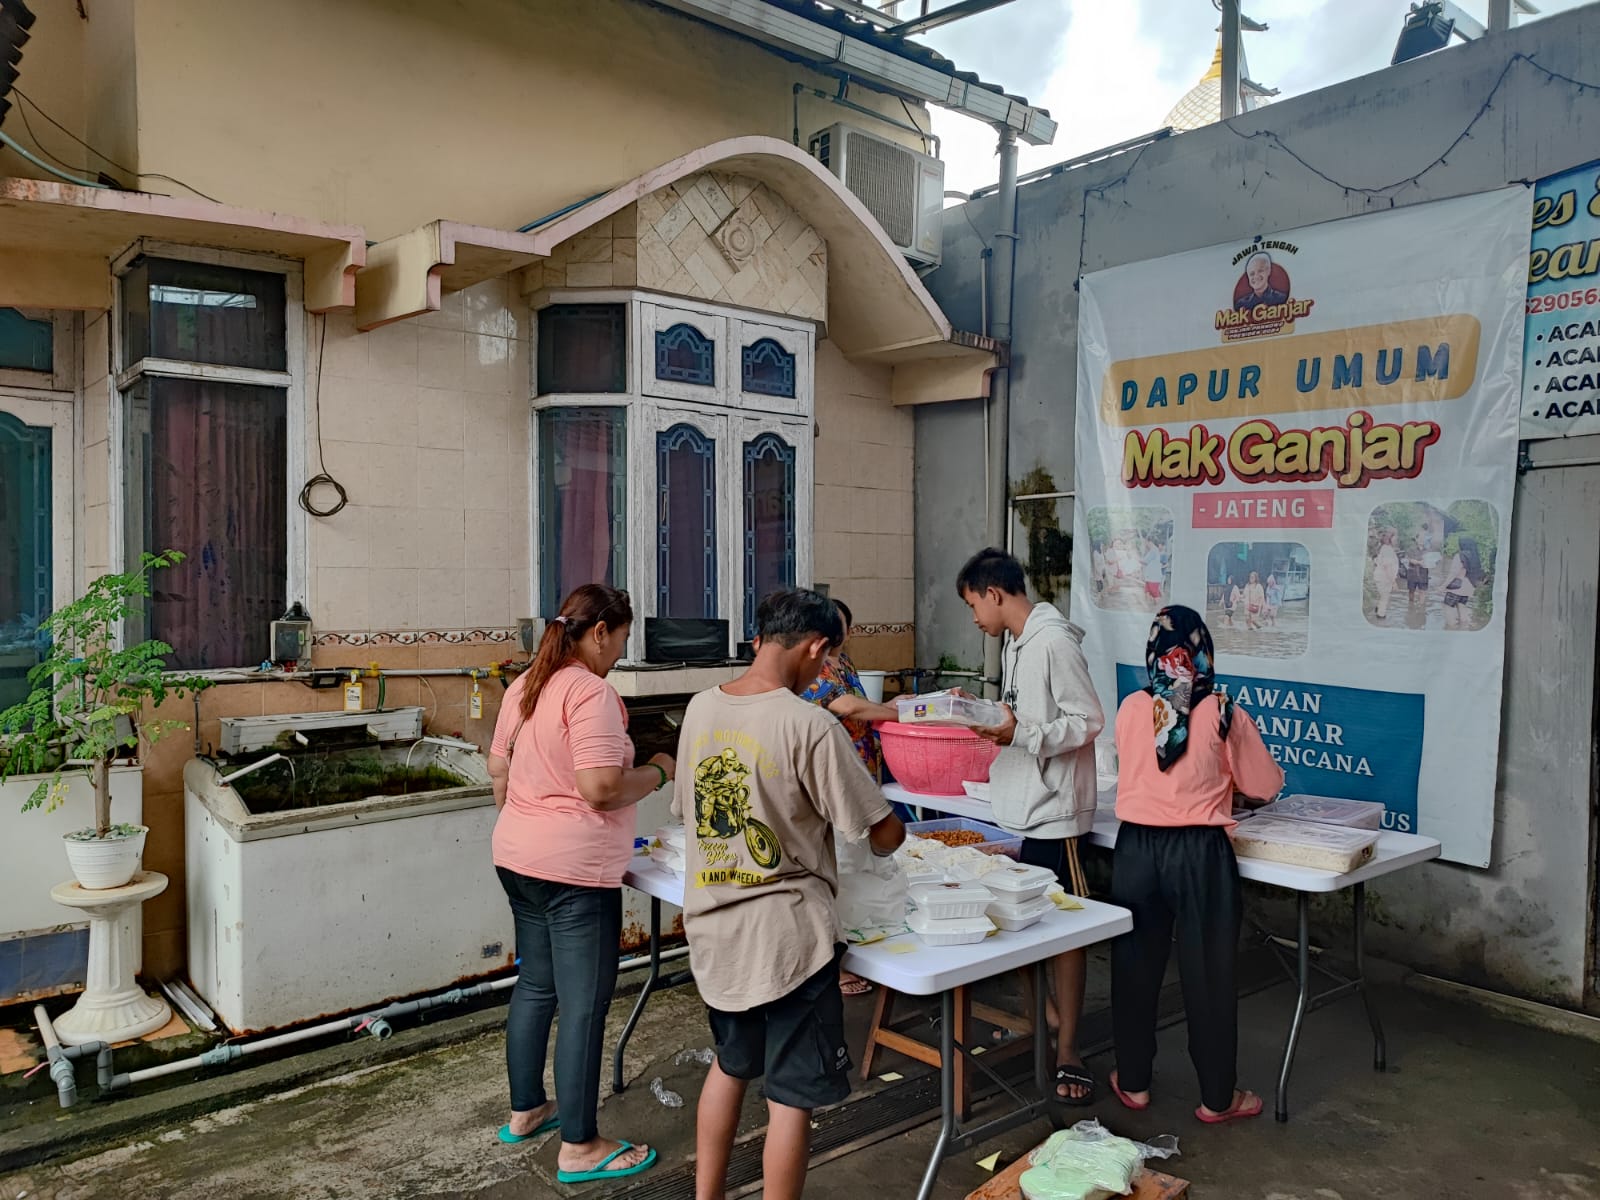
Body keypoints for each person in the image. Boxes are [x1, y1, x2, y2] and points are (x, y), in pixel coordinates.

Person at [675, 589, 906, 1200]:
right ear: (816, 648)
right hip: (790, 943)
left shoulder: (700, 708)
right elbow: (881, 829)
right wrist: (888, 836)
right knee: (789, 1099)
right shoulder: (810, 723)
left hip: (716, 933)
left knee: (730, 1066)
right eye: (825, 659)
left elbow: (689, 811)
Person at [487, 584, 671, 1184]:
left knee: (536, 985)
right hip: (572, 874)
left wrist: (528, 830)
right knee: (584, 1006)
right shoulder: (590, 692)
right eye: (621, 639)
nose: (620, 652)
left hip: (517, 858)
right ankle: (581, 1147)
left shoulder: (524, 686)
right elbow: (600, 788)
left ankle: (526, 1111)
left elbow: (498, 772)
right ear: (599, 633)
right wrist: (659, 770)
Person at [1109, 606, 1284, 1124]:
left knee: (1134, 966)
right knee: (1209, 971)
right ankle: (1216, 1098)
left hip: (1135, 848)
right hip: (1199, 852)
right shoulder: (1224, 711)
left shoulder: (1131, 707)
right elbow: (1264, 786)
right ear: (1203, 651)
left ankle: (1134, 1082)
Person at [957, 548, 1105, 1104]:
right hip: (1023, 807)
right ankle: (1045, 1019)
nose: (975, 617)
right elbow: (1020, 716)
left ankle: (1069, 1049)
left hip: (1056, 816)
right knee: (1023, 921)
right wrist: (981, 714)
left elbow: (1087, 720)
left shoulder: (1053, 641)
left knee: (1066, 933)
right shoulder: (1016, 643)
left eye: (974, 605)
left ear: (995, 594)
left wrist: (1020, 734)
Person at [800, 598, 901, 997]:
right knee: (837, 868)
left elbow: (862, 706)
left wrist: (888, 708)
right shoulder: (816, 667)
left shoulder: (844, 662)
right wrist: (896, 713)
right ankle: (834, 965)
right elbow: (847, 706)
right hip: (831, 782)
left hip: (861, 774)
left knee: (857, 867)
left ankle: (855, 948)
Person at [1372, 528, 1400, 620]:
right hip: (1384, 577)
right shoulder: (1387, 549)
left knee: (1382, 596)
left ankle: (1377, 610)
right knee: (1385, 598)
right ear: (1389, 538)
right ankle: (1381, 616)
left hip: (1381, 577)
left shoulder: (1384, 548)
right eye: (1395, 537)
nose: (1396, 539)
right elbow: (1387, 567)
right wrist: (1393, 582)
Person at [1141, 539, 1165, 603]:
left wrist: (1136, 558)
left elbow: (1145, 561)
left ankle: (1158, 607)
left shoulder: (1153, 551)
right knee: (1147, 592)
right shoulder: (1152, 550)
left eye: (1146, 542)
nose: (1145, 544)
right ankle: (1149, 607)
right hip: (1150, 577)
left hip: (1153, 577)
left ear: (1150, 542)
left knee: (1155, 594)